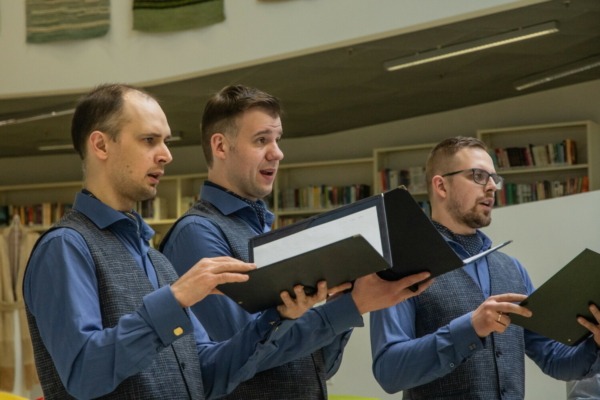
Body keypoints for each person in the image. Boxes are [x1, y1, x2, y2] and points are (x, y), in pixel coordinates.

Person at [22, 83, 431, 400]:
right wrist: (174, 300)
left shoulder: (155, 261)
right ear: (100, 145)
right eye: (149, 140)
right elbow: (83, 374)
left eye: (166, 141)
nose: (166, 155)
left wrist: (279, 318)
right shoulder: (66, 246)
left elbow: (208, 374)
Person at [159, 84, 433, 400]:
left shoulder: (262, 230)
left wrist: (344, 301)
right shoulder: (196, 233)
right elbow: (241, 360)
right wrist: (354, 305)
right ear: (220, 146)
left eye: (277, 139)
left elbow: (314, 367)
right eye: (261, 140)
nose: (277, 152)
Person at [369, 136, 600, 399]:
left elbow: (555, 359)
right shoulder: (401, 268)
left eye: (493, 178)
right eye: (478, 176)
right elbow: (389, 371)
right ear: (441, 186)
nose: (491, 187)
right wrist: (470, 327)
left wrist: (596, 343)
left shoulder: (512, 269)